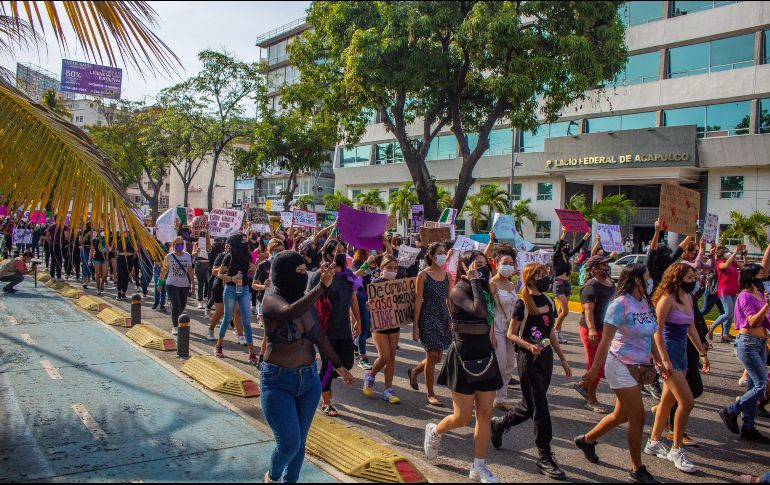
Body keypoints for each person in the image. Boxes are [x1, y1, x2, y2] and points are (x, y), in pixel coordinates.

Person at [260, 252, 354, 483]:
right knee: (289, 443)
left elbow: (319, 336)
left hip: (309, 380)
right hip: (277, 381)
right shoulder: (271, 299)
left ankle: (291, 480)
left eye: (305, 271)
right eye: (299, 272)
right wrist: (321, 287)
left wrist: (338, 366)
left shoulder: (305, 299)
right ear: (283, 273)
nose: (303, 276)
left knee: (300, 442)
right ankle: (272, 478)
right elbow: (288, 313)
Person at [573, 263, 663, 484]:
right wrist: (594, 370)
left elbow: (649, 335)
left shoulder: (644, 301)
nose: (651, 280)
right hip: (620, 364)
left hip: (641, 366)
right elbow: (605, 341)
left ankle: (587, 440)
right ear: (637, 280)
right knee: (638, 417)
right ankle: (636, 468)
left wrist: (660, 361)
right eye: (647, 276)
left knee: (621, 415)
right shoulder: (619, 304)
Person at [424, 250, 502, 483]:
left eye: (483, 264)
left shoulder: (486, 289)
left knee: (486, 413)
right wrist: (477, 281)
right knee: (462, 417)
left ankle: (479, 465)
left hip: (486, 354)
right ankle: (435, 431)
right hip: (464, 356)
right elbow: (477, 310)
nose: (481, 269)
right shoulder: (458, 291)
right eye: (476, 265)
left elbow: (488, 315)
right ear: (465, 267)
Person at [490, 263, 571, 480]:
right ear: (531, 279)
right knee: (541, 406)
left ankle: (499, 424)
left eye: (546, 273)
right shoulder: (522, 303)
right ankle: (544, 455)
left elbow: (550, 333)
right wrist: (529, 346)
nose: (546, 277)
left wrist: (563, 359)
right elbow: (510, 334)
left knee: (529, 406)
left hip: (546, 358)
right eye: (542, 274)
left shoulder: (549, 301)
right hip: (528, 360)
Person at [647, 263, 710, 473]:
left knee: (668, 400)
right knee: (687, 401)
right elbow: (656, 331)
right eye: (689, 278)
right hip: (669, 353)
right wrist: (663, 359)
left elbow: (691, 327)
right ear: (677, 277)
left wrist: (702, 353)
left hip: (682, 352)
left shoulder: (689, 298)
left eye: (695, 277)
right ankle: (677, 447)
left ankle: (654, 441)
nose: (694, 281)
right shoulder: (666, 298)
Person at [718, 263, 770, 444]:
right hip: (747, 344)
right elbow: (753, 322)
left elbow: (766, 322)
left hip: (761, 344)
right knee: (761, 386)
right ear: (751, 276)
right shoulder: (744, 296)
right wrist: (766, 307)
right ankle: (731, 410)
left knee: (753, 385)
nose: (763, 277)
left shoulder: (760, 295)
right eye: (760, 274)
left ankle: (748, 426)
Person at [309, 239, 361, 417]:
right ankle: (326, 402)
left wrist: (358, 320)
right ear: (329, 254)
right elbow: (310, 299)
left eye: (344, 250)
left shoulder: (349, 275)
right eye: (338, 251)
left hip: (344, 327)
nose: (342, 254)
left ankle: (317, 382)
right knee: (329, 364)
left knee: (346, 363)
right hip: (326, 330)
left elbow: (353, 299)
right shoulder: (320, 274)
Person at [409, 242, 452, 407]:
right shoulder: (424, 275)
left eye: (445, 252)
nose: (443, 255)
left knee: (438, 356)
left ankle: (414, 372)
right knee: (432, 356)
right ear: (432, 256)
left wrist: (451, 319)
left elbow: (450, 300)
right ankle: (430, 394)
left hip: (442, 317)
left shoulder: (448, 275)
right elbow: (418, 301)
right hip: (427, 317)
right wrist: (415, 326)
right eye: (440, 252)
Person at [575, 255, 615, 414]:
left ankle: (583, 385)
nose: (606, 267)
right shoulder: (591, 286)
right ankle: (591, 399)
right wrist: (591, 330)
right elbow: (588, 311)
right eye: (603, 265)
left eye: (607, 264)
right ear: (595, 269)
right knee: (595, 366)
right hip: (592, 330)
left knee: (602, 365)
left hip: (606, 329)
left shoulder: (610, 283)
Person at [362, 254, 403, 403]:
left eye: (395, 268)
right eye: (389, 267)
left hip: (394, 323)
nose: (393, 270)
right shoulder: (377, 282)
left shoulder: (398, 284)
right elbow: (371, 302)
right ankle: (371, 375)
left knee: (391, 357)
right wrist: (369, 305)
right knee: (384, 356)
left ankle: (388, 389)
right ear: (382, 268)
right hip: (379, 324)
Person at [214, 233, 259, 364]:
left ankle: (251, 353)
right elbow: (219, 273)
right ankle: (219, 345)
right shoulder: (229, 256)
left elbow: (253, 269)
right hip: (230, 289)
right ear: (236, 242)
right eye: (243, 240)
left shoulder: (247, 255)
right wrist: (231, 278)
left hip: (244, 289)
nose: (245, 241)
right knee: (227, 318)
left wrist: (255, 269)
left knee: (247, 321)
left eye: (246, 239)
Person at [490, 243, 518, 410]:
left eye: (511, 263)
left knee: (508, 365)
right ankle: (486, 395)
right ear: (496, 264)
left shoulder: (513, 285)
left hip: (511, 330)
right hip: (497, 328)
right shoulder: (492, 284)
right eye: (504, 263)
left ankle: (501, 398)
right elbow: (487, 311)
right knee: (499, 364)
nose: (508, 266)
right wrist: (491, 333)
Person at [551, 227, 590, 344]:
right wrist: (563, 233)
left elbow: (577, 248)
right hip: (558, 284)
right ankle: (555, 332)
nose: (567, 246)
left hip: (567, 284)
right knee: (565, 311)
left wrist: (586, 237)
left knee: (561, 311)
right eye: (565, 245)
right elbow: (558, 247)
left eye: (567, 245)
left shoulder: (567, 257)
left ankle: (558, 331)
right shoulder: (556, 256)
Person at [708, 244, 746, 343]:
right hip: (724, 291)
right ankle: (712, 327)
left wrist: (744, 256)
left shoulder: (733, 262)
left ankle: (725, 334)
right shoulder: (720, 263)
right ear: (721, 255)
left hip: (733, 290)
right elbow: (726, 265)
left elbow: (745, 267)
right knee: (728, 313)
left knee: (731, 314)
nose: (728, 253)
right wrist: (736, 252)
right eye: (726, 252)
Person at [159, 236, 194, 336]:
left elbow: (190, 270)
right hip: (171, 284)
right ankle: (175, 326)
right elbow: (164, 270)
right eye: (178, 244)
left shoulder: (187, 256)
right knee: (176, 305)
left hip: (184, 285)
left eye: (182, 244)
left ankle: (176, 318)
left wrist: (193, 284)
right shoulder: (169, 256)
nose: (180, 246)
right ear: (174, 245)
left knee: (182, 306)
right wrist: (159, 283)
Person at [352, 249, 376, 370]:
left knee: (370, 330)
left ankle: (355, 343)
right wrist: (367, 262)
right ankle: (363, 358)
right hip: (361, 297)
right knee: (364, 328)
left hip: (372, 297)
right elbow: (356, 274)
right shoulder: (357, 261)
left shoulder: (374, 261)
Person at [115, 231, 136, 301]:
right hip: (121, 259)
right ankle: (118, 292)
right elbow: (118, 251)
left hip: (129, 260)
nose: (125, 233)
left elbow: (134, 252)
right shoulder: (120, 241)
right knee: (120, 275)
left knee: (126, 276)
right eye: (123, 232)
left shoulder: (132, 241)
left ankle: (123, 292)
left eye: (126, 232)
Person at [192, 231, 211, 310]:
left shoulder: (210, 243)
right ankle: (200, 301)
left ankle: (209, 302)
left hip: (208, 265)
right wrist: (197, 251)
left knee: (210, 283)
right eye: (202, 235)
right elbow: (192, 254)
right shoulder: (196, 244)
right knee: (200, 284)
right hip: (199, 264)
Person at [90, 230, 109, 296]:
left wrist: (108, 248)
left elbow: (110, 250)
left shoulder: (107, 240)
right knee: (97, 274)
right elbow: (92, 250)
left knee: (105, 274)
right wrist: (89, 259)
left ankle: (102, 284)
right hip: (97, 259)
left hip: (105, 259)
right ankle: (98, 288)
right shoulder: (95, 240)